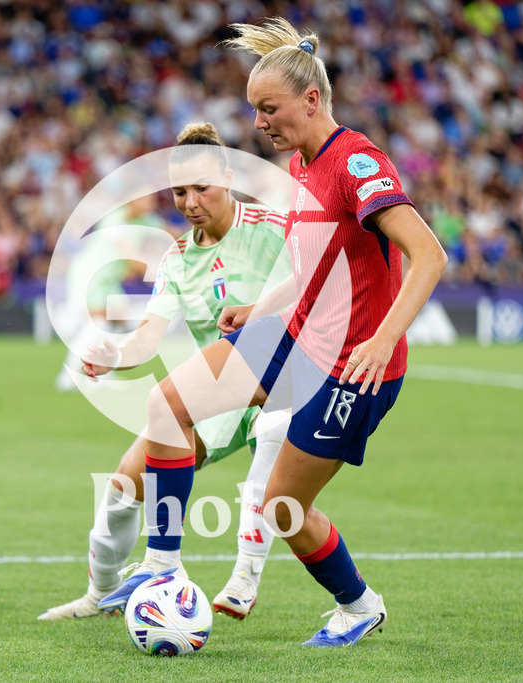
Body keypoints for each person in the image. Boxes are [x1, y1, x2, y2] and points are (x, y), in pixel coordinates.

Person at [99, 18, 448, 648]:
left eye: (269, 108)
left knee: (283, 510)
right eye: (255, 110)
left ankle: (359, 605)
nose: (259, 123)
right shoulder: (303, 166)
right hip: (296, 336)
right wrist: (259, 306)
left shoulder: (356, 162)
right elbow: (317, 269)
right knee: (166, 406)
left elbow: (428, 256)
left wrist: (380, 339)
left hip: (354, 368)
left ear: (311, 100)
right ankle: (161, 566)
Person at [39, 122, 291, 621]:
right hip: (214, 393)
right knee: (122, 488)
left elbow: (311, 290)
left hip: (280, 379)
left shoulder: (271, 229)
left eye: (202, 187)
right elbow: (148, 337)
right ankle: (99, 594)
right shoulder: (177, 258)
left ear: (226, 176)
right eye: (180, 191)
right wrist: (116, 355)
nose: (191, 201)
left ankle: (244, 576)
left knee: (275, 427)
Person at [54, 194, 159, 392]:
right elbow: (127, 250)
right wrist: (152, 270)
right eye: (146, 198)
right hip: (90, 275)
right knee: (98, 325)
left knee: (122, 322)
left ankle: (103, 371)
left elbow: (167, 232)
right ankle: (69, 375)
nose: (151, 203)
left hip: (109, 280)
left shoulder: (145, 220)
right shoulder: (115, 218)